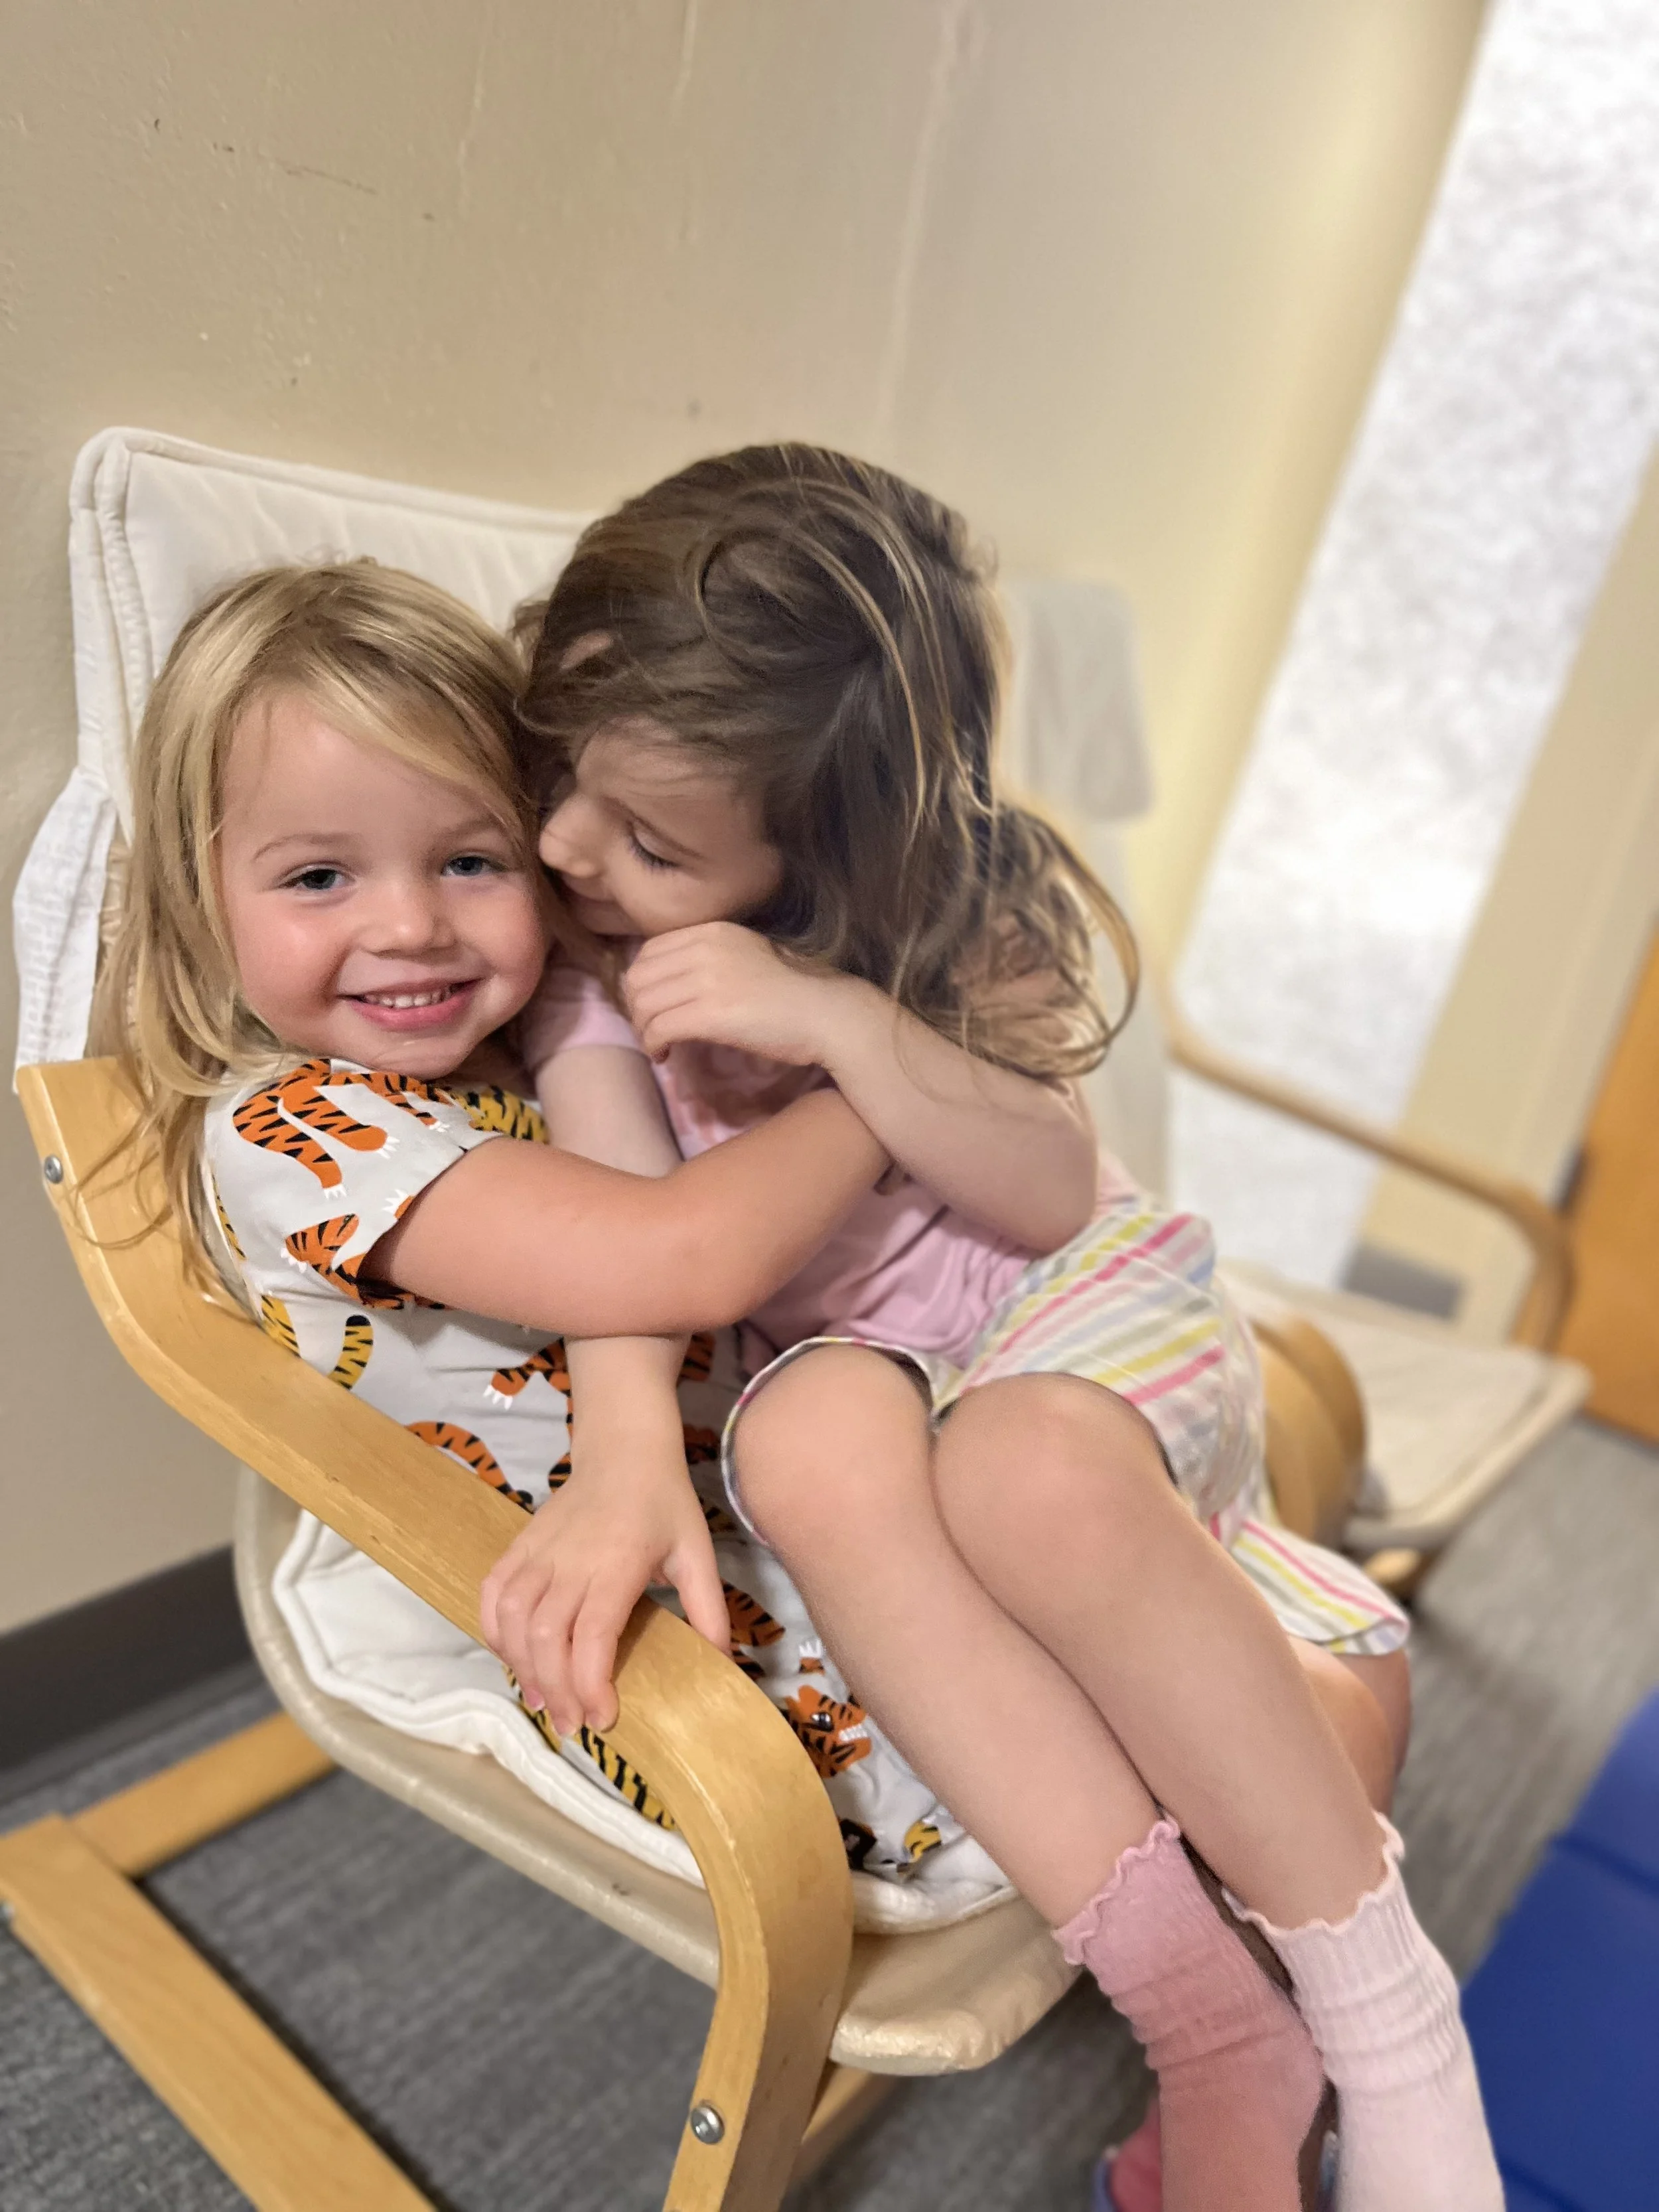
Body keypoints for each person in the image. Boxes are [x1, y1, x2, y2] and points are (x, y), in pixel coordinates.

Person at [495, 445, 1503, 2212]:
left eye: (651, 841)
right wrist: (630, 1445)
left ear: (830, 853)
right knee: (805, 1439)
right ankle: (1218, 2039)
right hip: (884, 1378)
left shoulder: (958, 920)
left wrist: (829, 1018)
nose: (567, 849)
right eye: (557, 778)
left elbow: (1045, 1191)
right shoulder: (592, 973)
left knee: (1037, 1479)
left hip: (1078, 1313)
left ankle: (1388, 2028)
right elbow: (643, 1249)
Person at [104, 557, 889, 1795]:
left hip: (778, 1500)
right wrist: (895, 1068)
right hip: (651, 1630)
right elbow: (679, 1253)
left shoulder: (534, 1045)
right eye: (319, 877)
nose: (412, 925)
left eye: (471, 861)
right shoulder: (294, 1132)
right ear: (201, 899)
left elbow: (648, 1221)